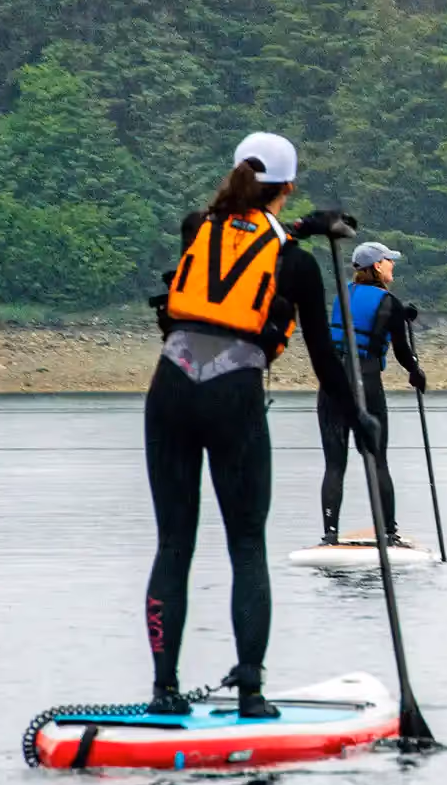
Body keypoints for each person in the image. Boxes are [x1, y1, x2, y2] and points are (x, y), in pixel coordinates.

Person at [147, 133, 371, 716]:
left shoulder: (195, 226)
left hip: (169, 388)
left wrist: (298, 226)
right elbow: (325, 360)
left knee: (174, 545)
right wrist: (360, 422)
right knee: (246, 547)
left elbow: (237, 229)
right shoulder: (295, 265)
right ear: (288, 187)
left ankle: (164, 692)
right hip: (233, 395)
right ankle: (250, 693)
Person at [316, 242, 429, 547]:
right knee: (377, 460)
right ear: (377, 266)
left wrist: (399, 314)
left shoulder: (342, 295)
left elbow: (361, 318)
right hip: (365, 383)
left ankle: (329, 534)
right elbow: (403, 352)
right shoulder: (389, 301)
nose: (393, 265)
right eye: (389, 261)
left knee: (334, 464)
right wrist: (416, 373)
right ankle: (389, 533)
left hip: (331, 384)